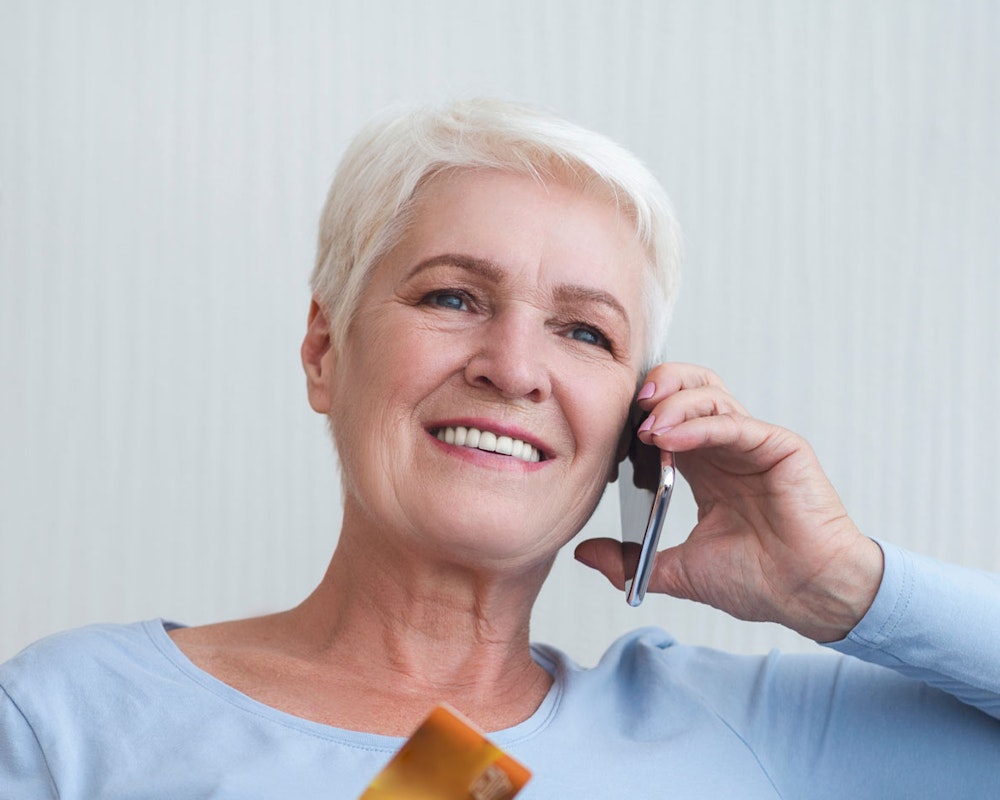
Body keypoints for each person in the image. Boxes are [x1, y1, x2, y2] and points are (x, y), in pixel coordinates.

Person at [1, 98, 998, 799]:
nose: (513, 365)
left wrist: (842, 585)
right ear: (323, 350)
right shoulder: (73, 715)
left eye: (584, 331)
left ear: (637, 425)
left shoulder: (749, 732)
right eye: (450, 296)